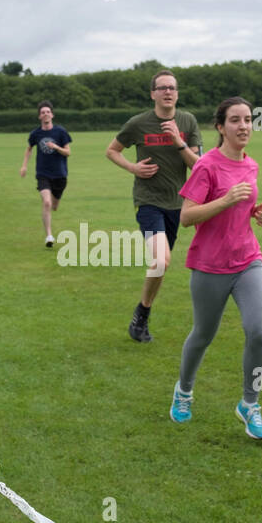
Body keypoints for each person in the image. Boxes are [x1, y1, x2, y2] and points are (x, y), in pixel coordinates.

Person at [170, 97, 262, 440]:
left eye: (248, 120)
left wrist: (256, 211)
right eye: (235, 120)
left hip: (248, 260)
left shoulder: (251, 165)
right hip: (210, 265)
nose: (244, 126)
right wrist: (226, 200)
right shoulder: (207, 166)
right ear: (221, 127)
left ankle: (250, 404)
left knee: (259, 332)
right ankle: (183, 392)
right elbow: (186, 217)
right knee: (203, 335)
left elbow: (242, 205)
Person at [105, 70, 204, 342]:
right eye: (162, 88)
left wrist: (178, 141)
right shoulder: (138, 123)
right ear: (153, 94)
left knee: (161, 265)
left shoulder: (188, 121)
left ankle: (142, 314)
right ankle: (142, 316)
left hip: (178, 204)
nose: (168, 92)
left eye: (172, 88)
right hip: (148, 201)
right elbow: (111, 150)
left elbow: (198, 166)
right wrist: (132, 167)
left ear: (177, 93)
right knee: (161, 260)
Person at [19, 101, 72, 246]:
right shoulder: (36, 134)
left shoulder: (61, 132)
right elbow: (29, 149)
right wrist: (24, 166)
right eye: (42, 112)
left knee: (54, 206)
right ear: (39, 117)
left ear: (52, 115)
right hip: (43, 174)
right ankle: (49, 236)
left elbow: (68, 152)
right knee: (47, 203)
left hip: (60, 174)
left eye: (48, 111)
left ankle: (52, 212)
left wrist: (55, 147)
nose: (45, 114)